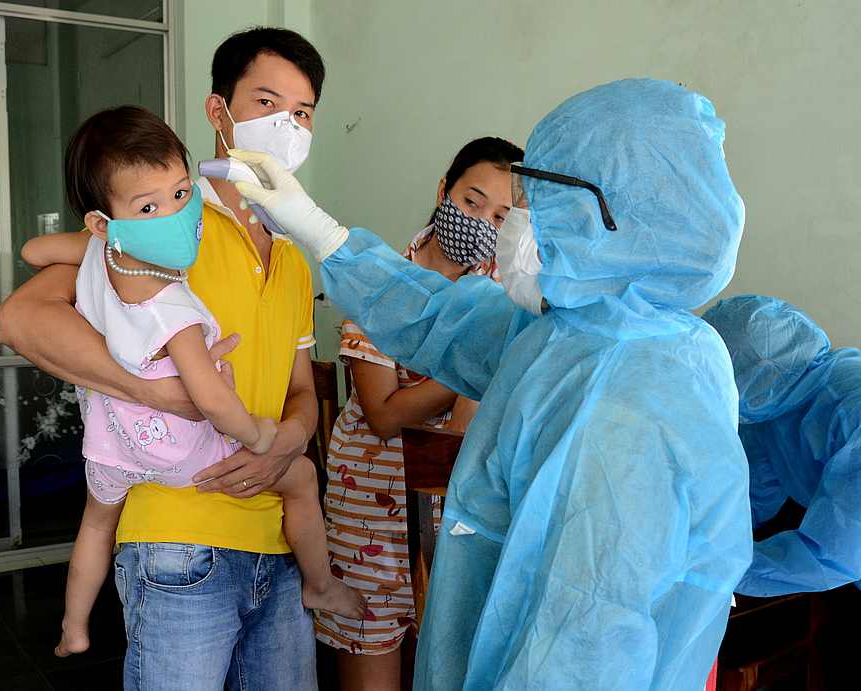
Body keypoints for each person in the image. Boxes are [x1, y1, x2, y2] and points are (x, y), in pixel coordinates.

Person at [231, 78, 753, 689]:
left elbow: (588, 639)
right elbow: (442, 319)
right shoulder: (577, 329)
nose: (513, 223)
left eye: (534, 203)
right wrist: (323, 233)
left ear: (607, 216)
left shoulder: (632, 395)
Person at [0, 28, 330, 690]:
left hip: (279, 545)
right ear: (218, 111)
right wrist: (156, 394)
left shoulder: (291, 257)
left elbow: (303, 391)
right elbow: (19, 318)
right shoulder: (162, 226)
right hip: (179, 540)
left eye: (302, 112)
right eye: (266, 102)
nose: (286, 126)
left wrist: (287, 442)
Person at [315, 136, 522, 690]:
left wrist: (485, 358)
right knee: (371, 651)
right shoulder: (382, 282)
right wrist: (478, 361)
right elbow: (383, 414)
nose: (482, 222)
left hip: (453, 505)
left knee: (453, 660)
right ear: (443, 191)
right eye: (472, 201)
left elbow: (464, 432)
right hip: (370, 503)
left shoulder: (505, 298)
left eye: (502, 215)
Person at [703, 295, 861, 597]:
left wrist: (721, 568)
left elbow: (837, 553)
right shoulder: (777, 407)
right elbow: (751, 497)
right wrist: (705, 535)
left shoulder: (849, 410)